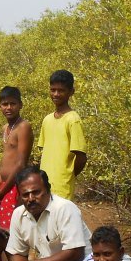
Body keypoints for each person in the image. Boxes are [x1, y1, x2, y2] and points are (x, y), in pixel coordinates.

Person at [35, 70, 87, 200]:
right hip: (44, 185)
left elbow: (81, 157)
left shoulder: (73, 119)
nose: (56, 94)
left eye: (61, 90)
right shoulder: (47, 119)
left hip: (62, 187)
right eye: (53, 90)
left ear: (71, 92)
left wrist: (68, 176)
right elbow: (45, 151)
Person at [0, 86, 33, 231]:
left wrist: (3, 191)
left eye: (13, 104)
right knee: (1, 230)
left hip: (15, 186)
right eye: (5, 104)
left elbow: (20, 164)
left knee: (12, 231)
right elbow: (6, 161)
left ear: (20, 105)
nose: (9, 107)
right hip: (4, 185)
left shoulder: (23, 127)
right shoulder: (5, 128)